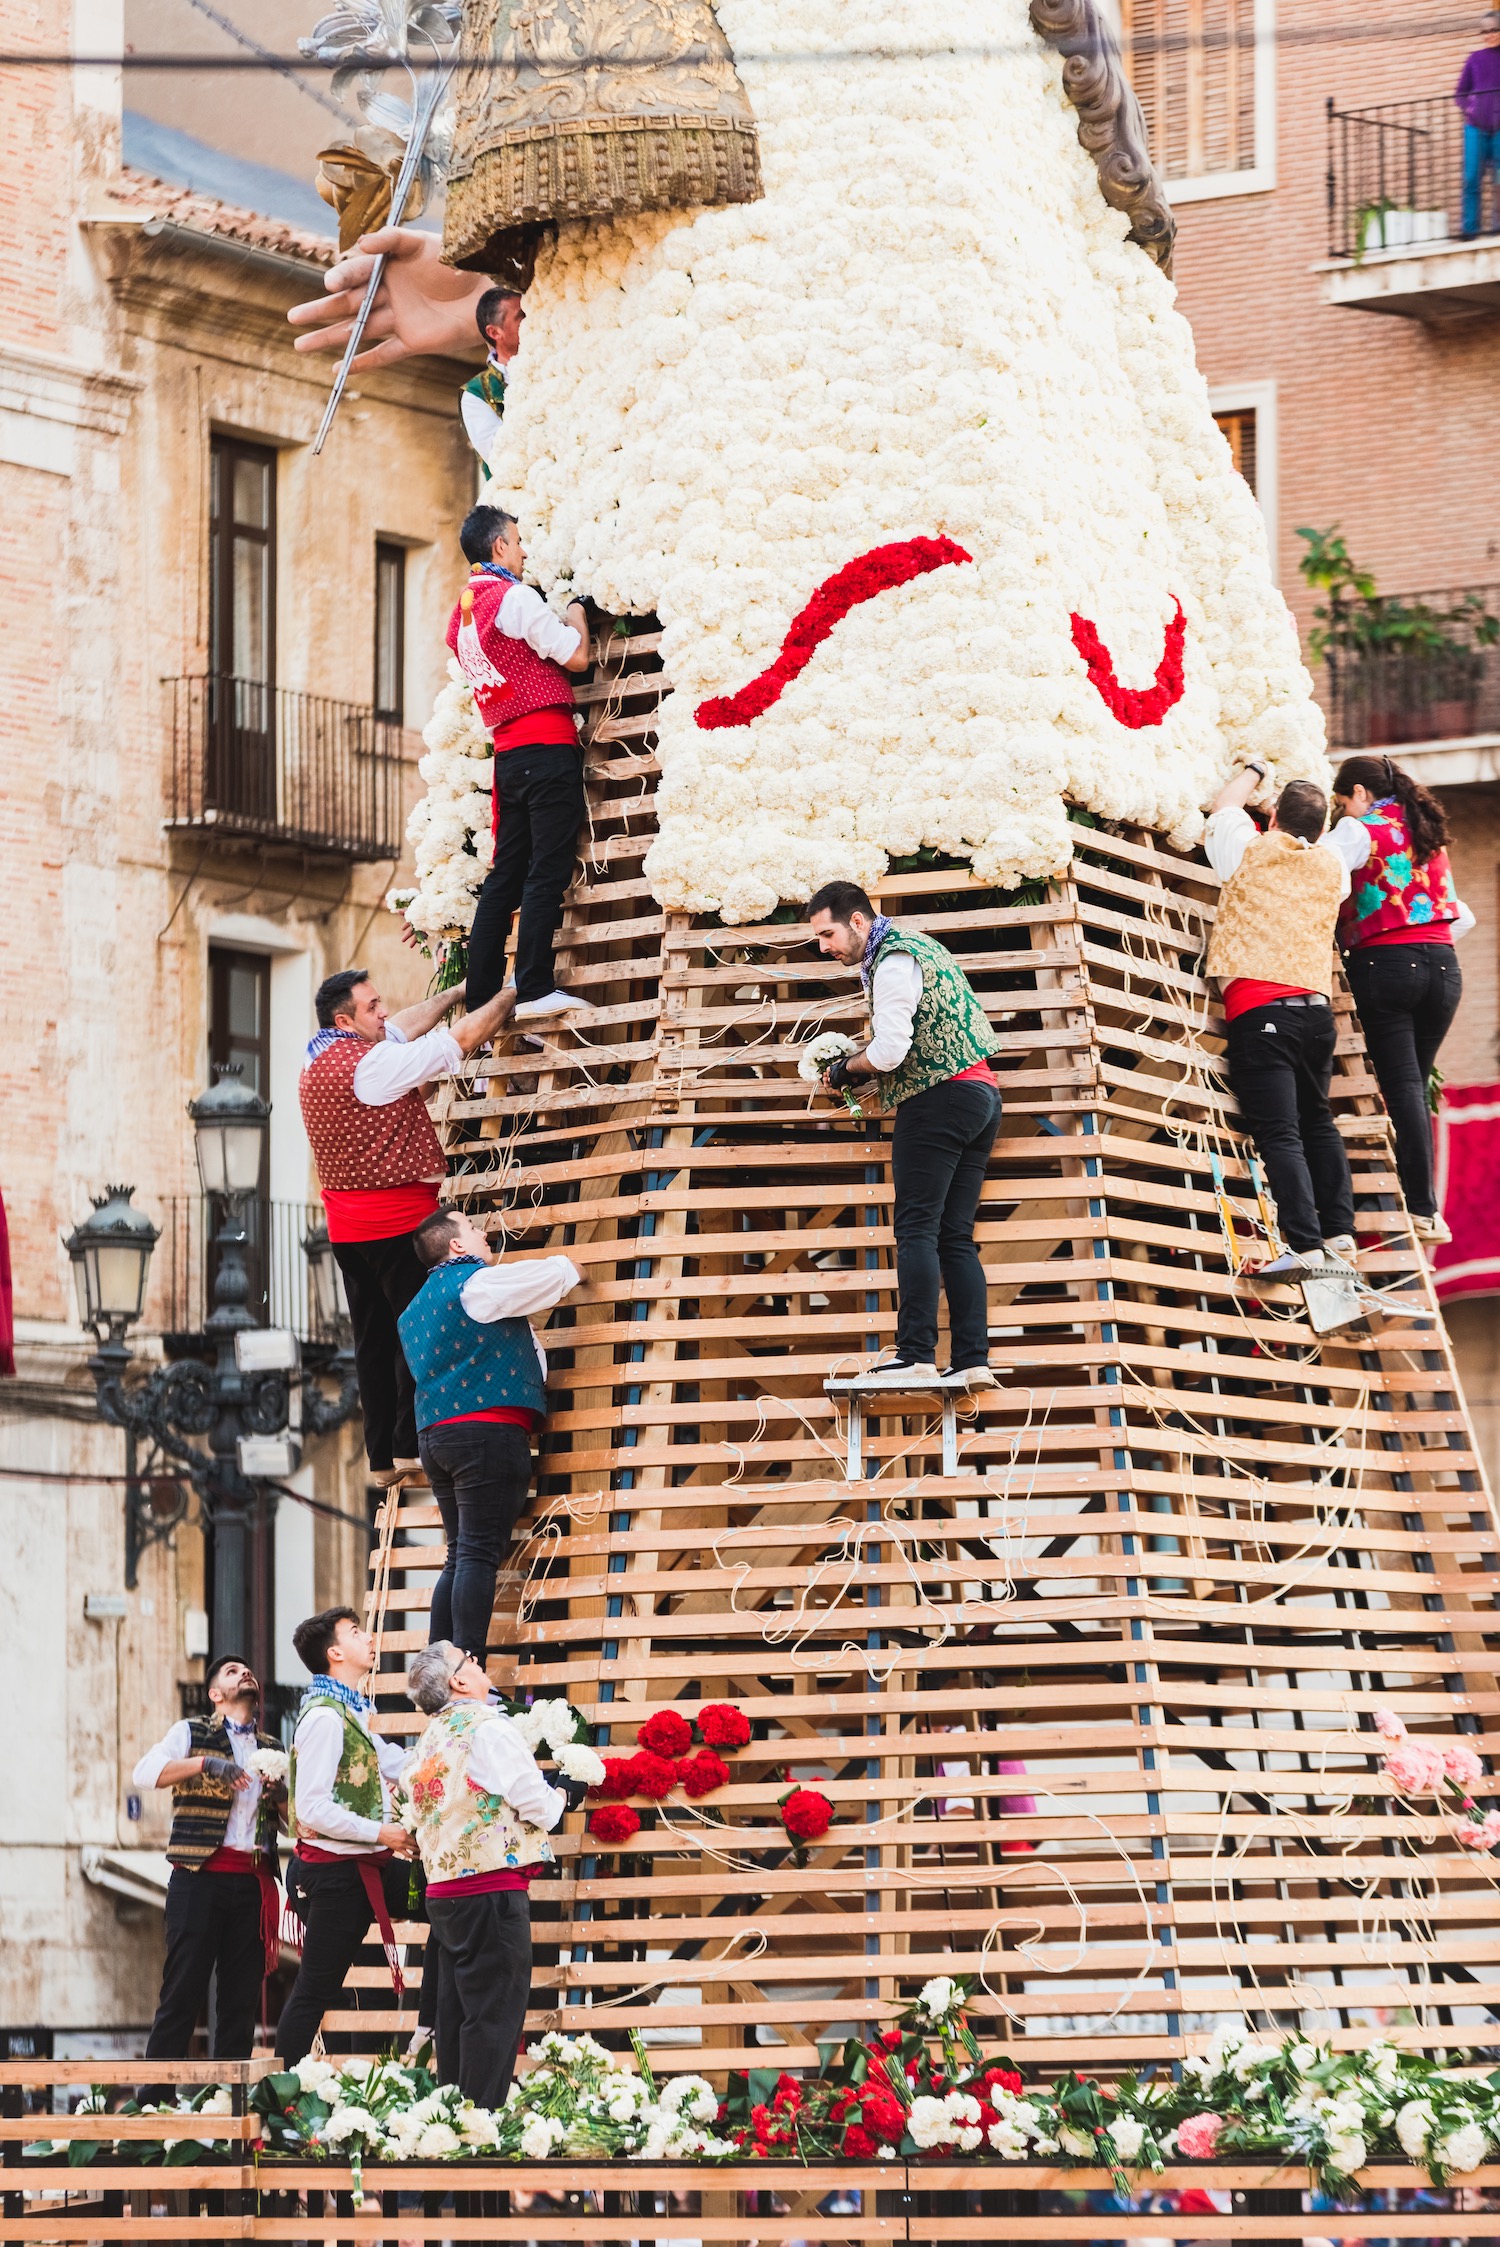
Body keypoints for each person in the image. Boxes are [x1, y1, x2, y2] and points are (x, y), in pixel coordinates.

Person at [300, 968, 517, 1487]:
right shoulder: (372, 1067)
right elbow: (457, 1041)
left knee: (372, 1342)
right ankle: (406, 1449)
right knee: (415, 1332)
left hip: (348, 1229)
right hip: (394, 1224)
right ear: (344, 1019)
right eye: (373, 1007)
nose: (385, 1013)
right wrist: (511, 990)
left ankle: (381, 1460)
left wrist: (460, 991)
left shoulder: (316, 1056)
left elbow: (403, 1027)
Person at [805, 880, 1001, 1389]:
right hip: (981, 1096)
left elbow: (891, 1050)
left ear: (856, 920)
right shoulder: (919, 944)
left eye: (827, 934)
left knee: (916, 1228)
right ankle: (972, 1359)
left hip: (939, 1099)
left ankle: (915, 1354)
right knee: (955, 1236)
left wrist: (846, 1070)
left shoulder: (893, 960)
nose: (823, 947)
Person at [398, 1208, 587, 1657]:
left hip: (436, 1437)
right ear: (457, 1246)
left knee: (460, 1553)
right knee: (478, 1553)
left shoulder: (413, 1309)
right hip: (485, 1432)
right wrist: (574, 1268)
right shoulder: (475, 1283)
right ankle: (465, 1665)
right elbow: (545, 1278)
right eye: (473, 1228)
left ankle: (441, 1666)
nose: (484, 1234)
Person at [398, 1642, 569, 2110]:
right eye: (469, 1659)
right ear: (458, 1681)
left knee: (457, 2019)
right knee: (494, 2018)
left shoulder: (430, 1738)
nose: (476, 1661)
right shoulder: (488, 1728)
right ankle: (480, 2139)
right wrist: (565, 1793)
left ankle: (455, 2136)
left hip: (446, 1895)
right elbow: (538, 1804)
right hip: (490, 1890)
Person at [1203, 764, 1356, 1275]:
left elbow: (1225, 805)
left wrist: (1255, 768)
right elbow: (1346, 838)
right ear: (1320, 829)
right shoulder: (1333, 864)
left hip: (1262, 1011)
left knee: (1280, 1134)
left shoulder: (1247, 849)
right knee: (1318, 1121)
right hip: (1316, 1013)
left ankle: (1306, 1245)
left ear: (1270, 817)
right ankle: (1339, 1233)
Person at [449, 505, 594, 1022]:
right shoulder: (512, 597)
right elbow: (576, 657)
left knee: (505, 875)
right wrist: (576, 609)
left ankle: (483, 993)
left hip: (508, 757)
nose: (525, 549)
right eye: (518, 540)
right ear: (499, 548)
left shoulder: (463, 612)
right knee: (545, 870)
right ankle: (533, 987)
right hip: (546, 748)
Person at [1329, 755, 1476, 1245]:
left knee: (1403, 1088)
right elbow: (1462, 917)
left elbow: (1316, 875)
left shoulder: (1359, 831)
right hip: (1444, 968)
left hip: (1387, 966)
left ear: (1358, 792)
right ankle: (1424, 1208)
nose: (1342, 811)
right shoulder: (1424, 834)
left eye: (1342, 801)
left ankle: (1418, 1206)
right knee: (1411, 1088)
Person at [275, 1608, 416, 2066]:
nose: (369, 1638)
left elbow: (394, 1763)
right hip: (336, 1877)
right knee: (315, 1989)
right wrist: (382, 1832)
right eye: (356, 1633)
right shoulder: (325, 1719)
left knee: (447, 1901)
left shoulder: (350, 1710)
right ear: (335, 1653)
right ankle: (280, 2091)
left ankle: (431, 2021)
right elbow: (312, 1808)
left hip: (365, 1866)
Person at [133, 1656, 284, 2059]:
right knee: (182, 1990)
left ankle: (226, 2100)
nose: (245, 1672)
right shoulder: (191, 1731)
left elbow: (291, 1823)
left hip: (253, 1883)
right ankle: (154, 2098)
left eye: (247, 1669)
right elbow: (145, 1773)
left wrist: (282, 1799)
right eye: (232, 1672)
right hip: (198, 1879)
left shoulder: (272, 1747)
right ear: (215, 1694)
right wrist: (204, 1763)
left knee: (240, 2002)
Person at [460, 286, 523, 460]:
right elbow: (499, 454)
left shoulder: (554, 361)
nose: (530, 320)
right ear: (494, 332)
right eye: (521, 317)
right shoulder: (476, 393)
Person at [1456, 12, 1500, 237]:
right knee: (1472, 178)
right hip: (1476, 127)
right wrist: (1469, 109)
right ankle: (1469, 229)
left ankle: (1497, 228)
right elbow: (1460, 93)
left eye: (1494, 29)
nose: (1489, 35)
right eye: (1485, 31)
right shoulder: (1474, 58)